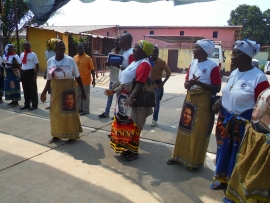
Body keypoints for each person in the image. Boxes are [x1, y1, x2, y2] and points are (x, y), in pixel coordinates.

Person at [210, 39, 269, 203]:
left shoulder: (259, 78)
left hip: (243, 125)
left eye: (236, 53)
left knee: (238, 156)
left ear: (247, 56)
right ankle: (221, 179)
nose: (232, 56)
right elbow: (229, 93)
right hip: (226, 121)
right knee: (223, 151)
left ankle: (233, 187)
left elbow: (263, 105)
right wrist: (219, 101)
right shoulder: (235, 73)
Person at [167, 39, 222, 170]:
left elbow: (217, 88)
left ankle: (194, 162)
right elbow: (186, 84)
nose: (193, 49)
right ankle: (179, 156)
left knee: (198, 131)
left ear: (204, 51)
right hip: (190, 99)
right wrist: (189, 83)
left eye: (196, 48)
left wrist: (199, 83)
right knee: (184, 128)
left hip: (203, 102)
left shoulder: (212, 66)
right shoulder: (193, 64)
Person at [105, 40, 154, 161]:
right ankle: (125, 148)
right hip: (123, 97)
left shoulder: (144, 64)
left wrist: (131, 97)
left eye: (136, 48)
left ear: (143, 52)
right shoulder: (136, 62)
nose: (134, 50)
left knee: (132, 124)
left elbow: (140, 83)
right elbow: (127, 75)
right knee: (123, 123)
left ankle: (133, 151)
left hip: (131, 99)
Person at [224, 88, 270, 203]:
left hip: (265, 143)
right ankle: (238, 197)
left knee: (257, 179)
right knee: (244, 168)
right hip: (255, 137)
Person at [40, 39, 86, 145]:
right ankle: (56, 135)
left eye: (63, 46)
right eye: (60, 46)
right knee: (55, 113)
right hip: (55, 90)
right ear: (54, 49)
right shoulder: (50, 61)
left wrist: (83, 91)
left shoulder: (70, 60)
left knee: (69, 113)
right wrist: (44, 92)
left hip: (68, 89)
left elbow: (78, 77)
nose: (63, 48)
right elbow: (48, 78)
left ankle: (72, 135)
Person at [98, 33, 135, 118]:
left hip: (127, 89)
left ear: (126, 41)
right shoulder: (125, 53)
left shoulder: (131, 54)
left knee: (126, 114)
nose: (118, 42)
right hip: (121, 86)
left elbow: (132, 72)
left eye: (120, 39)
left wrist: (119, 67)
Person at [99, 38, 122, 118]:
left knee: (118, 98)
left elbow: (123, 68)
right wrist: (108, 65)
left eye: (117, 44)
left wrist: (117, 66)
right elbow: (109, 68)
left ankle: (117, 114)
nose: (116, 45)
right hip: (112, 78)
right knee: (109, 96)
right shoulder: (112, 53)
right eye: (115, 44)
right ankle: (106, 112)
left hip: (119, 80)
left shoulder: (123, 54)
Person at [150, 46, 171, 127]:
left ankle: (154, 119)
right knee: (144, 102)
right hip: (148, 85)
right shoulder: (147, 61)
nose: (155, 54)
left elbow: (168, 73)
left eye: (156, 53)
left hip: (157, 86)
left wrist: (163, 83)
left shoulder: (161, 62)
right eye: (153, 52)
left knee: (156, 103)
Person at [73, 43, 95, 115]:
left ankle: (86, 110)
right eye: (78, 49)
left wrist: (94, 80)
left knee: (85, 95)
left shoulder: (88, 58)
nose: (80, 50)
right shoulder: (74, 58)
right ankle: (80, 109)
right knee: (78, 95)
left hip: (86, 81)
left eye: (81, 49)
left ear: (83, 49)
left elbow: (92, 70)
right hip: (77, 82)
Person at [20, 41, 39, 110]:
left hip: (30, 72)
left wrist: (35, 74)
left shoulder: (33, 54)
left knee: (33, 89)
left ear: (30, 46)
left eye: (28, 45)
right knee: (25, 89)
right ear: (23, 47)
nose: (27, 47)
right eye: (25, 45)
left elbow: (37, 65)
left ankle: (34, 104)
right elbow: (20, 64)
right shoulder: (22, 54)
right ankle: (27, 104)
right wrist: (20, 73)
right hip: (23, 72)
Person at [44, 38, 57, 109]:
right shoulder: (46, 52)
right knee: (50, 89)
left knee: (55, 88)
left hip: (56, 72)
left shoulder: (56, 51)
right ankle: (51, 104)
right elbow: (48, 63)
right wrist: (46, 72)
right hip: (50, 71)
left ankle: (55, 103)